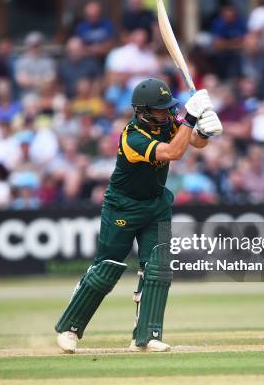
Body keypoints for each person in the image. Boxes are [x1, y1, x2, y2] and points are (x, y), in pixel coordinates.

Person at [54, 78, 223, 353]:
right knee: (106, 268)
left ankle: (147, 336)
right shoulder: (132, 137)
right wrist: (192, 117)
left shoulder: (167, 122)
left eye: (169, 108)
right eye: (160, 109)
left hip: (156, 204)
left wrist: (204, 132)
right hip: (123, 207)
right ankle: (70, 328)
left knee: (158, 267)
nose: (166, 113)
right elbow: (173, 152)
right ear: (142, 110)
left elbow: (192, 141)